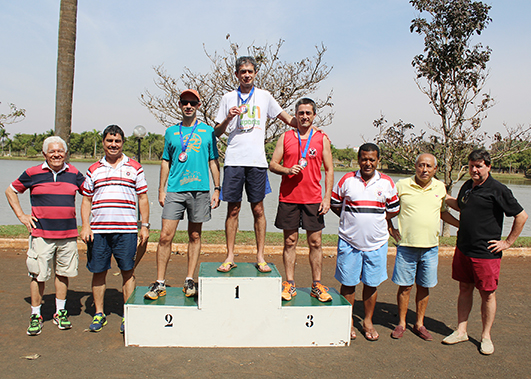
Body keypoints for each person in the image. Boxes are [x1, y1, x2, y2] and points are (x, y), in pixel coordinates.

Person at [214, 56, 297, 273]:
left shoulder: (264, 96)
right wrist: (227, 119)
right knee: (233, 210)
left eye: (250, 71)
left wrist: (308, 125)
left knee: (258, 209)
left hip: (257, 162)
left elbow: (287, 119)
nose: (246, 75)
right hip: (233, 160)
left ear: (256, 73)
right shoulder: (227, 98)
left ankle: (260, 256)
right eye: (242, 72)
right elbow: (216, 132)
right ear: (236, 74)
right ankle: (230, 256)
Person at [442, 149, 527, 355]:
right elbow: (462, 207)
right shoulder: (468, 186)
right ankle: (461, 330)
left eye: (479, 166)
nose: (474, 170)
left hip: (486, 252)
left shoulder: (498, 189)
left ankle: (486, 336)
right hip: (464, 248)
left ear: (488, 166)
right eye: (471, 165)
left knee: (487, 294)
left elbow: (521, 216)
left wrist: (507, 242)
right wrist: (442, 197)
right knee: (464, 288)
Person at [144, 89, 220, 300]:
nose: (188, 106)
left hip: (200, 191)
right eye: (185, 102)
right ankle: (160, 282)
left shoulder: (207, 132)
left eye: (192, 103)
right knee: (165, 236)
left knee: (195, 235)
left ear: (198, 105)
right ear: (179, 105)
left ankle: (189, 279)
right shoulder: (170, 132)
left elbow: (213, 161)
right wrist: (161, 189)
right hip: (175, 191)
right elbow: (165, 160)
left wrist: (217, 188)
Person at [5, 136, 85, 336]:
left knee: (63, 274)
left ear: (65, 153)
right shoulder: (32, 173)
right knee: (38, 275)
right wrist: (22, 216)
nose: (56, 154)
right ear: (44, 154)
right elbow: (10, 191)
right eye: (52, 151)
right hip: (41, 234)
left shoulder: (74, 173)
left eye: (60, 151)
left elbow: (90, 194)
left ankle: (60, 312)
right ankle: (36, 315)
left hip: (68, 235)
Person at [80, 125, 150, 333]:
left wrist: (144, 226)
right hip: (99, 231)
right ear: (103, 142)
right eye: (110, 141)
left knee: (128, 271)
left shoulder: (135, 167)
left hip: (127, 230)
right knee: (99, 271)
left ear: (122, 143)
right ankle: (99, 314)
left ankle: (127, 314)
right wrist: (85, 226)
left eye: (117, 141)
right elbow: (86, 200)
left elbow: (143, 198)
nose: (113, 145)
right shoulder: (93, 169)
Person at [331, 143, 400, 341]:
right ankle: (349, 321)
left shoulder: (386, 182)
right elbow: (336, 204)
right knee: (348, 283)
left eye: (372, 159)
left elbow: (394, 208)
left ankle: (367, 321)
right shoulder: (347, 179)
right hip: (349, 241)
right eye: (364, 159)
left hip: (377, 243)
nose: (367, 163)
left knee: (371, 283)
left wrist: (376, 219)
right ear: (358, 159)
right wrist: (352, 220)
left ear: (378, 160)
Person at [387, 153, 459, 341]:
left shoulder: (440, 187)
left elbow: (443, 213)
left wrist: (463, 225)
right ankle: (401, 323)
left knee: (424, 286)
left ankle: (419, 323)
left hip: (430, 247)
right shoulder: (402, 185)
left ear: (435, 169)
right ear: (415, 166)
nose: (424, 169)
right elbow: (387, 209)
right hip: (407, 246)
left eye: (428, 166)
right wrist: (390, 228)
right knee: (405, 287)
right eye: (421, 165)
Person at [269, 98, 334, 302]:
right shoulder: (286, 137)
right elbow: (272, 164)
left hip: (313, 199)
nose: (304, 116)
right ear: (295, 115)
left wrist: (327, 197)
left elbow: (329, 169)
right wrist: (287, 170)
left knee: (315, 242)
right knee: (290, 241)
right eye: (301, 113)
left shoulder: (322, 138)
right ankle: (289, 283)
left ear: (314, 115)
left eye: (308, 113)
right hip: (289, 198)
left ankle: (316, 284)